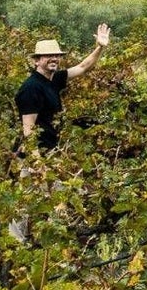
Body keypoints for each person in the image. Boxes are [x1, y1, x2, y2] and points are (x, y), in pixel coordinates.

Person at [10, 24, 111, 241]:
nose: (54, 58)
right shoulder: (31, 88)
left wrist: (99, 47)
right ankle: (14, 246)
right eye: (48, 56)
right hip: (34, 154)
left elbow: (83, 67)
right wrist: (38, 164)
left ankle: (51, 240)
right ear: (37, 60)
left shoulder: (53, 79)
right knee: (28, 200)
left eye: (56, 55)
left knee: (58, 195)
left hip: (50, 151)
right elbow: (28, 131)